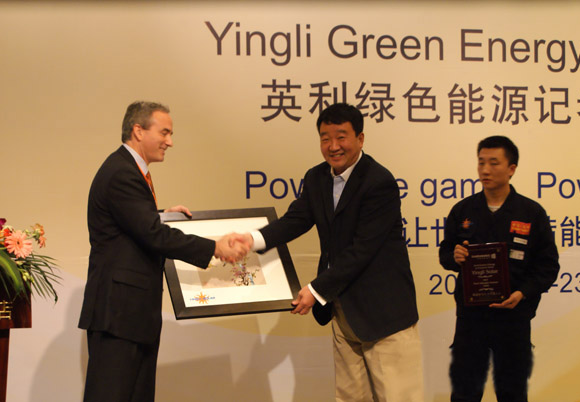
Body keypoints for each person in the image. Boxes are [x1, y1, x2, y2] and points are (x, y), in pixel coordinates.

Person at [243, 103, 424, 401]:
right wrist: (251, 240)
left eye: (341, 137)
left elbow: (362, 250)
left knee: (398, 397)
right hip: (343, 311)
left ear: (360, 139)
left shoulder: (379, 182)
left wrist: (315, 291)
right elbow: (295, 220)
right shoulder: (317, 178)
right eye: (325, 138)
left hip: (385, 317)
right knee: (349, 397)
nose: (333, 146)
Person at [78, 101, 249, 402]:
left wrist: (161, 215)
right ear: (138, 130)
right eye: (165, 132)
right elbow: (152, 235)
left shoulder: (129, 170)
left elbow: (134, 224)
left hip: (133, 316)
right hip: (119, 315)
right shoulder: (122, 173)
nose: (170, 142)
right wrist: (214, 247)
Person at [439, 135, 560, 402]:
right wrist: (454, 256)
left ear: (511, 168)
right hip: (471, 319)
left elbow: (548, 265)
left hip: (513, 318)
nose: (485, 170)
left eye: (494, 163)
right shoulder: (463, 210)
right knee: (465, 393)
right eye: (481, 162)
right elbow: (445, 254)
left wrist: (523, 293)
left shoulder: (531, 213)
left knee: (512, 393)